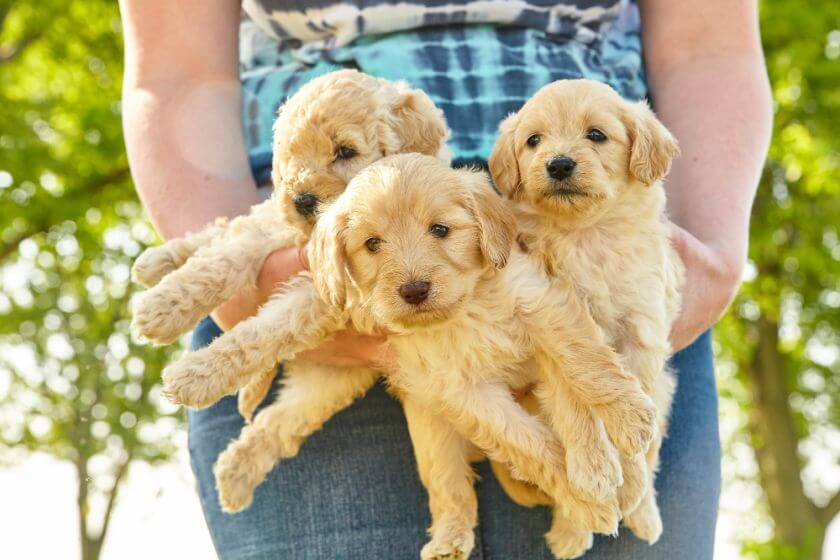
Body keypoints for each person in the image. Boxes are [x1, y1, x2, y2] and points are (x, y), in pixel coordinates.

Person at [118, 1, 772, 558]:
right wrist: (239, 280)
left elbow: (707, 45)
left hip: (602, 254)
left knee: (604, 491)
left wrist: (712, 255)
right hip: (322, 261)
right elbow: (175, 70)